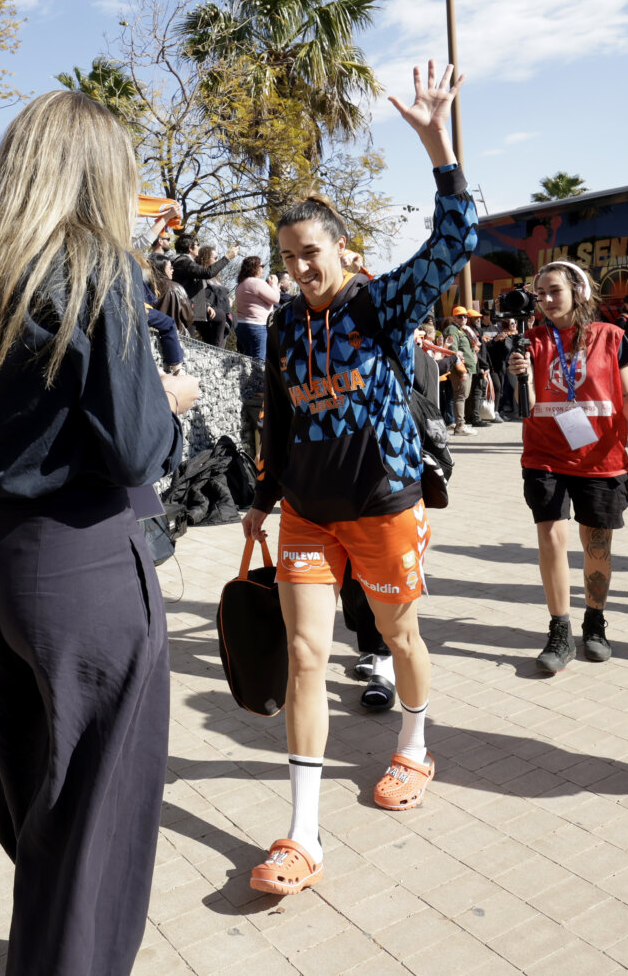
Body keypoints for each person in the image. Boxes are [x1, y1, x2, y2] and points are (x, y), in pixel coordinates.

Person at [0, 89, 199, 976]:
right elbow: (137, 449)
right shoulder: (93, 267)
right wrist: (171, 399)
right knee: (90, 824)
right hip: (76, 560)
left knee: (36, 811)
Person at [242, 61, 477, 897]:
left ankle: (414, 744)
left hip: (384, 508)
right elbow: (278, 419)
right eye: (287, 257)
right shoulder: (282, 332)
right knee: (307, 655)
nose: (299, 268)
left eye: (310, 253)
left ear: (341, 247)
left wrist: (435, 142)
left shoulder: (379, 306)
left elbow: (456, 241)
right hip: (308, 515)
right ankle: (303, 837)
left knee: (401, 638)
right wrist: (261, 502)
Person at [507, 261, 628, 673]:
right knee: (551, 540)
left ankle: (595, 623)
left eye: (554, 290)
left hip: (601, 458)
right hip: (545, 455)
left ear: (579, 291)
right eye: (540, 293)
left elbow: (627, 396)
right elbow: (532, 403)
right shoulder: (533, 340)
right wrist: (519, 374)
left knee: (597, 545)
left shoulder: (612, 337)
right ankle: (560, 630)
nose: (546, 300)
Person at [171, 233, 239, 339]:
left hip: (194, 309)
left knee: (220, 317)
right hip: (187, 309)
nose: (199, 247)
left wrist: (206, 306)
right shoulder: (183, 262)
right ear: (190, 248)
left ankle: (214, 351)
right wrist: (227, 257)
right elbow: (208, 273)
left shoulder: (186, 262)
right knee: (186, 340)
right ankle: (215, 352)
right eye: (197, 244)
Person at [235, 258, 282, 362]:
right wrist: (274, 284)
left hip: (241, 326)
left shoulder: (240, 284)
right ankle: (257, 379)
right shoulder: (257, 283)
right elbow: (275, 298)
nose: (263, 269)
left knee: (247, 361)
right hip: (257, 326)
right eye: (262, 266)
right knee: (259, 361)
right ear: (254, 268)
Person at [442, 309, 476, 435]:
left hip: (467, 367)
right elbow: (454, 351)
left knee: (463, 395)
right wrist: (461, 370)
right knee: (460, 396)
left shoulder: (462, 330)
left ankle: (461, 423)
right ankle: (460, 426)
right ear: (454, 318)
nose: (463, 319)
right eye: (460, 316)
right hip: (461, 368)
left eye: (465, 316)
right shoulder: (452, 330)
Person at [195, 246, 232, 347]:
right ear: (206, 259)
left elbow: (219, 294)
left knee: (219, 348)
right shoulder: (202, 275)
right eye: (215, 258)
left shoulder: (217, 278)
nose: (217, 261)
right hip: (210, 318)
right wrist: (207, 306)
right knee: (214, 349)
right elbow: (201, 293)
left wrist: (227, 300)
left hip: (224, 321)